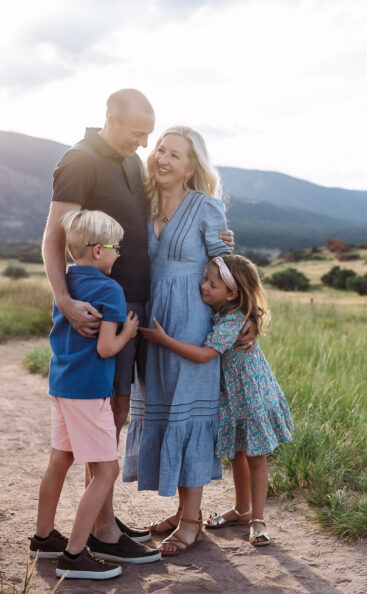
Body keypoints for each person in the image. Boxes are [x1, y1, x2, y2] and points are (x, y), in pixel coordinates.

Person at [41, 90, 235, 554]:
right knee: (115, 414)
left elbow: (224, 262)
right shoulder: (85, 163)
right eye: (142, 136)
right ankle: (103, 529)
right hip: (121, 314)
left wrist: (241, 311)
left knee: (142, 413)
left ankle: (133, 522)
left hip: (163, 317)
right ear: (110, 120)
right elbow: (55, 237)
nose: (149, 147)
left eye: (160, 142)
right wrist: (63, 298)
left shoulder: (135, 168)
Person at [30, 209, 161, 578]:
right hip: (90, 392)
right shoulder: (110, 290)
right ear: (99, 250)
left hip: (62, 385)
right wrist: (128, 333)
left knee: (61, 458)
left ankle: (42, 539)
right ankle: (75, 555)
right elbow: (106, 349)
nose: (119, 254)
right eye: (117, 248)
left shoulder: (67, 282)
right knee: (106, 470)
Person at [124, 126, 232, 556]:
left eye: (175, 155)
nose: (163, 160)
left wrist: (242, 318)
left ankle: (191, 521)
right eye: (160, 150)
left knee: (189, 415)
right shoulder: (142, 204)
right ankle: (179, 511)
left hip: (190, 322)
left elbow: (227, 270)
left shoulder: (207, 208)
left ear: (192, 166)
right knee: (161, 410)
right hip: (151, 322)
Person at [144, 254, 293, 547]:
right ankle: (240, 509)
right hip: (232, 397)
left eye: (212, 284)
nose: (203, 286)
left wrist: (164, 340)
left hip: (250, 396)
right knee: (237, 453)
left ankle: (258, 520)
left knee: (256, 457)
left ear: (232, 293)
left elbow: (204, 355)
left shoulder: (232, 320)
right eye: (205, 279)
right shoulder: (223, 312)